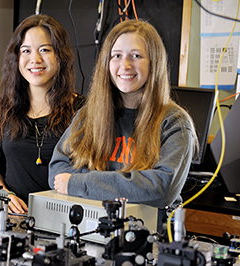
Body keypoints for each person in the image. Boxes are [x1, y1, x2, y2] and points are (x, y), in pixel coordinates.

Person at [49, 20, 198, 225]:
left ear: (154, 63)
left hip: (151, 240)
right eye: (116, 56)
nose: (125, 65)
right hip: (93, 231)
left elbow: (162, 189)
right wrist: (131, 185)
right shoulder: (88, 115)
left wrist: (79, 183)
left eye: (136, 56)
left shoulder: (175, 123)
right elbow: (57, 170)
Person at [0, 14, 85, 213]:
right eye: (26, 51)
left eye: (44, 50)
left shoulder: (82, 110)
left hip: (66, 220)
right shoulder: (3, 108)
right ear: (16, 57)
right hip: (15, 219)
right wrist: (4, 194)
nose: (35, 59)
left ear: (60, 55)